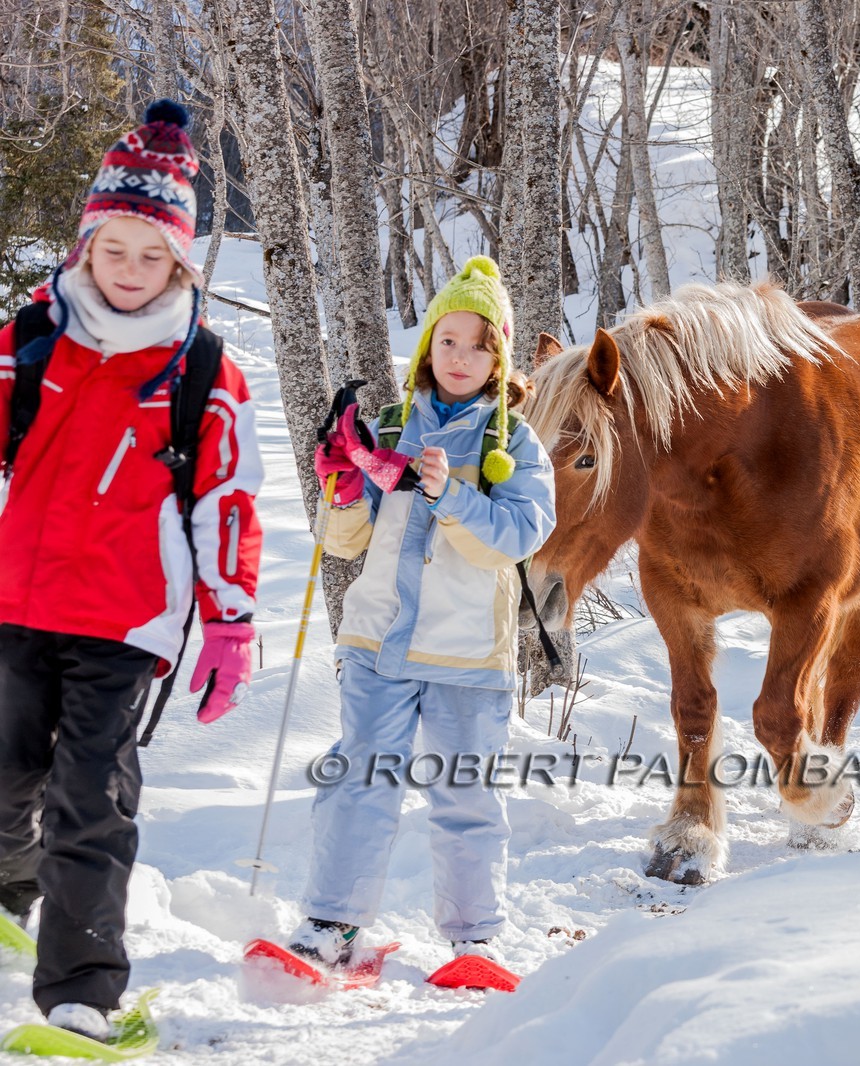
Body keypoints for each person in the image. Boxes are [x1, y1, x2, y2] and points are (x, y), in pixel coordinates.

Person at [0, 100, 263, 1040]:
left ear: (181, 263)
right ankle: (12, 895)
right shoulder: (33, 340)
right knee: (4, 785)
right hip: (16, 605)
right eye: (114, 248)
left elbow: (225, 501)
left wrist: (229, 622)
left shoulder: (202, 371)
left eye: (152, 255)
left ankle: (80, 991)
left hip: (124, 621)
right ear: (86, 244)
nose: (129, 268)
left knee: (92, 803)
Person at [289, 256, 556, 970]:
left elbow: (518, 537)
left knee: (466, 796)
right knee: (360, 781)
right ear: (428, 346)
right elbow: (344, 541)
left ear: (499, 359)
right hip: (377, 644)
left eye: (479, 346)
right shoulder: (391, 427)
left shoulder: (513, 444)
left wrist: (453, 496)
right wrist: (343, 488)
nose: (461, 357)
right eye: (448, 340)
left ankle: (474, 936)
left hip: (467, 655)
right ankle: (332, 923)